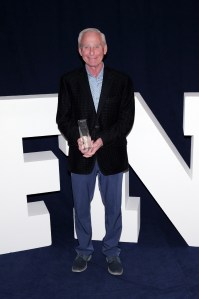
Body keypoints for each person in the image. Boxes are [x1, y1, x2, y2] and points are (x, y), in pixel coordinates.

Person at [56, 28, 135, 275]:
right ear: (80, 52)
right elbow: (63, 118)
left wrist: (101, 141)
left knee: (113, 208)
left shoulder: (122, 81)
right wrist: (78, 139)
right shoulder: (68, 80)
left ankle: (112, 252)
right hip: (80, 155)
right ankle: (83, 250)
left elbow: (126, 120)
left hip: (112, 154)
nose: (92, 52)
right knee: (81, 207)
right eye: (86, 47)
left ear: (105, 48)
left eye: (96, 46)